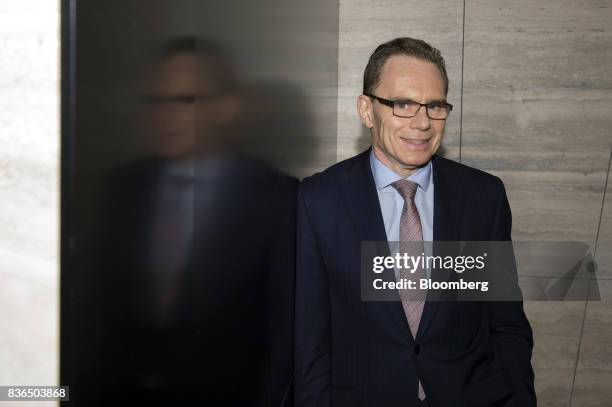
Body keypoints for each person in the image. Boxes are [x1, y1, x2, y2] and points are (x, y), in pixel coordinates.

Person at [295, 37, 536, 407]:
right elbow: (310, 341)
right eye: (403, 104)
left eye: (435, 106)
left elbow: (505, 322)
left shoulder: (483, 197)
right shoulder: (319, 200)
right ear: (366, 110)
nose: (422, 122)